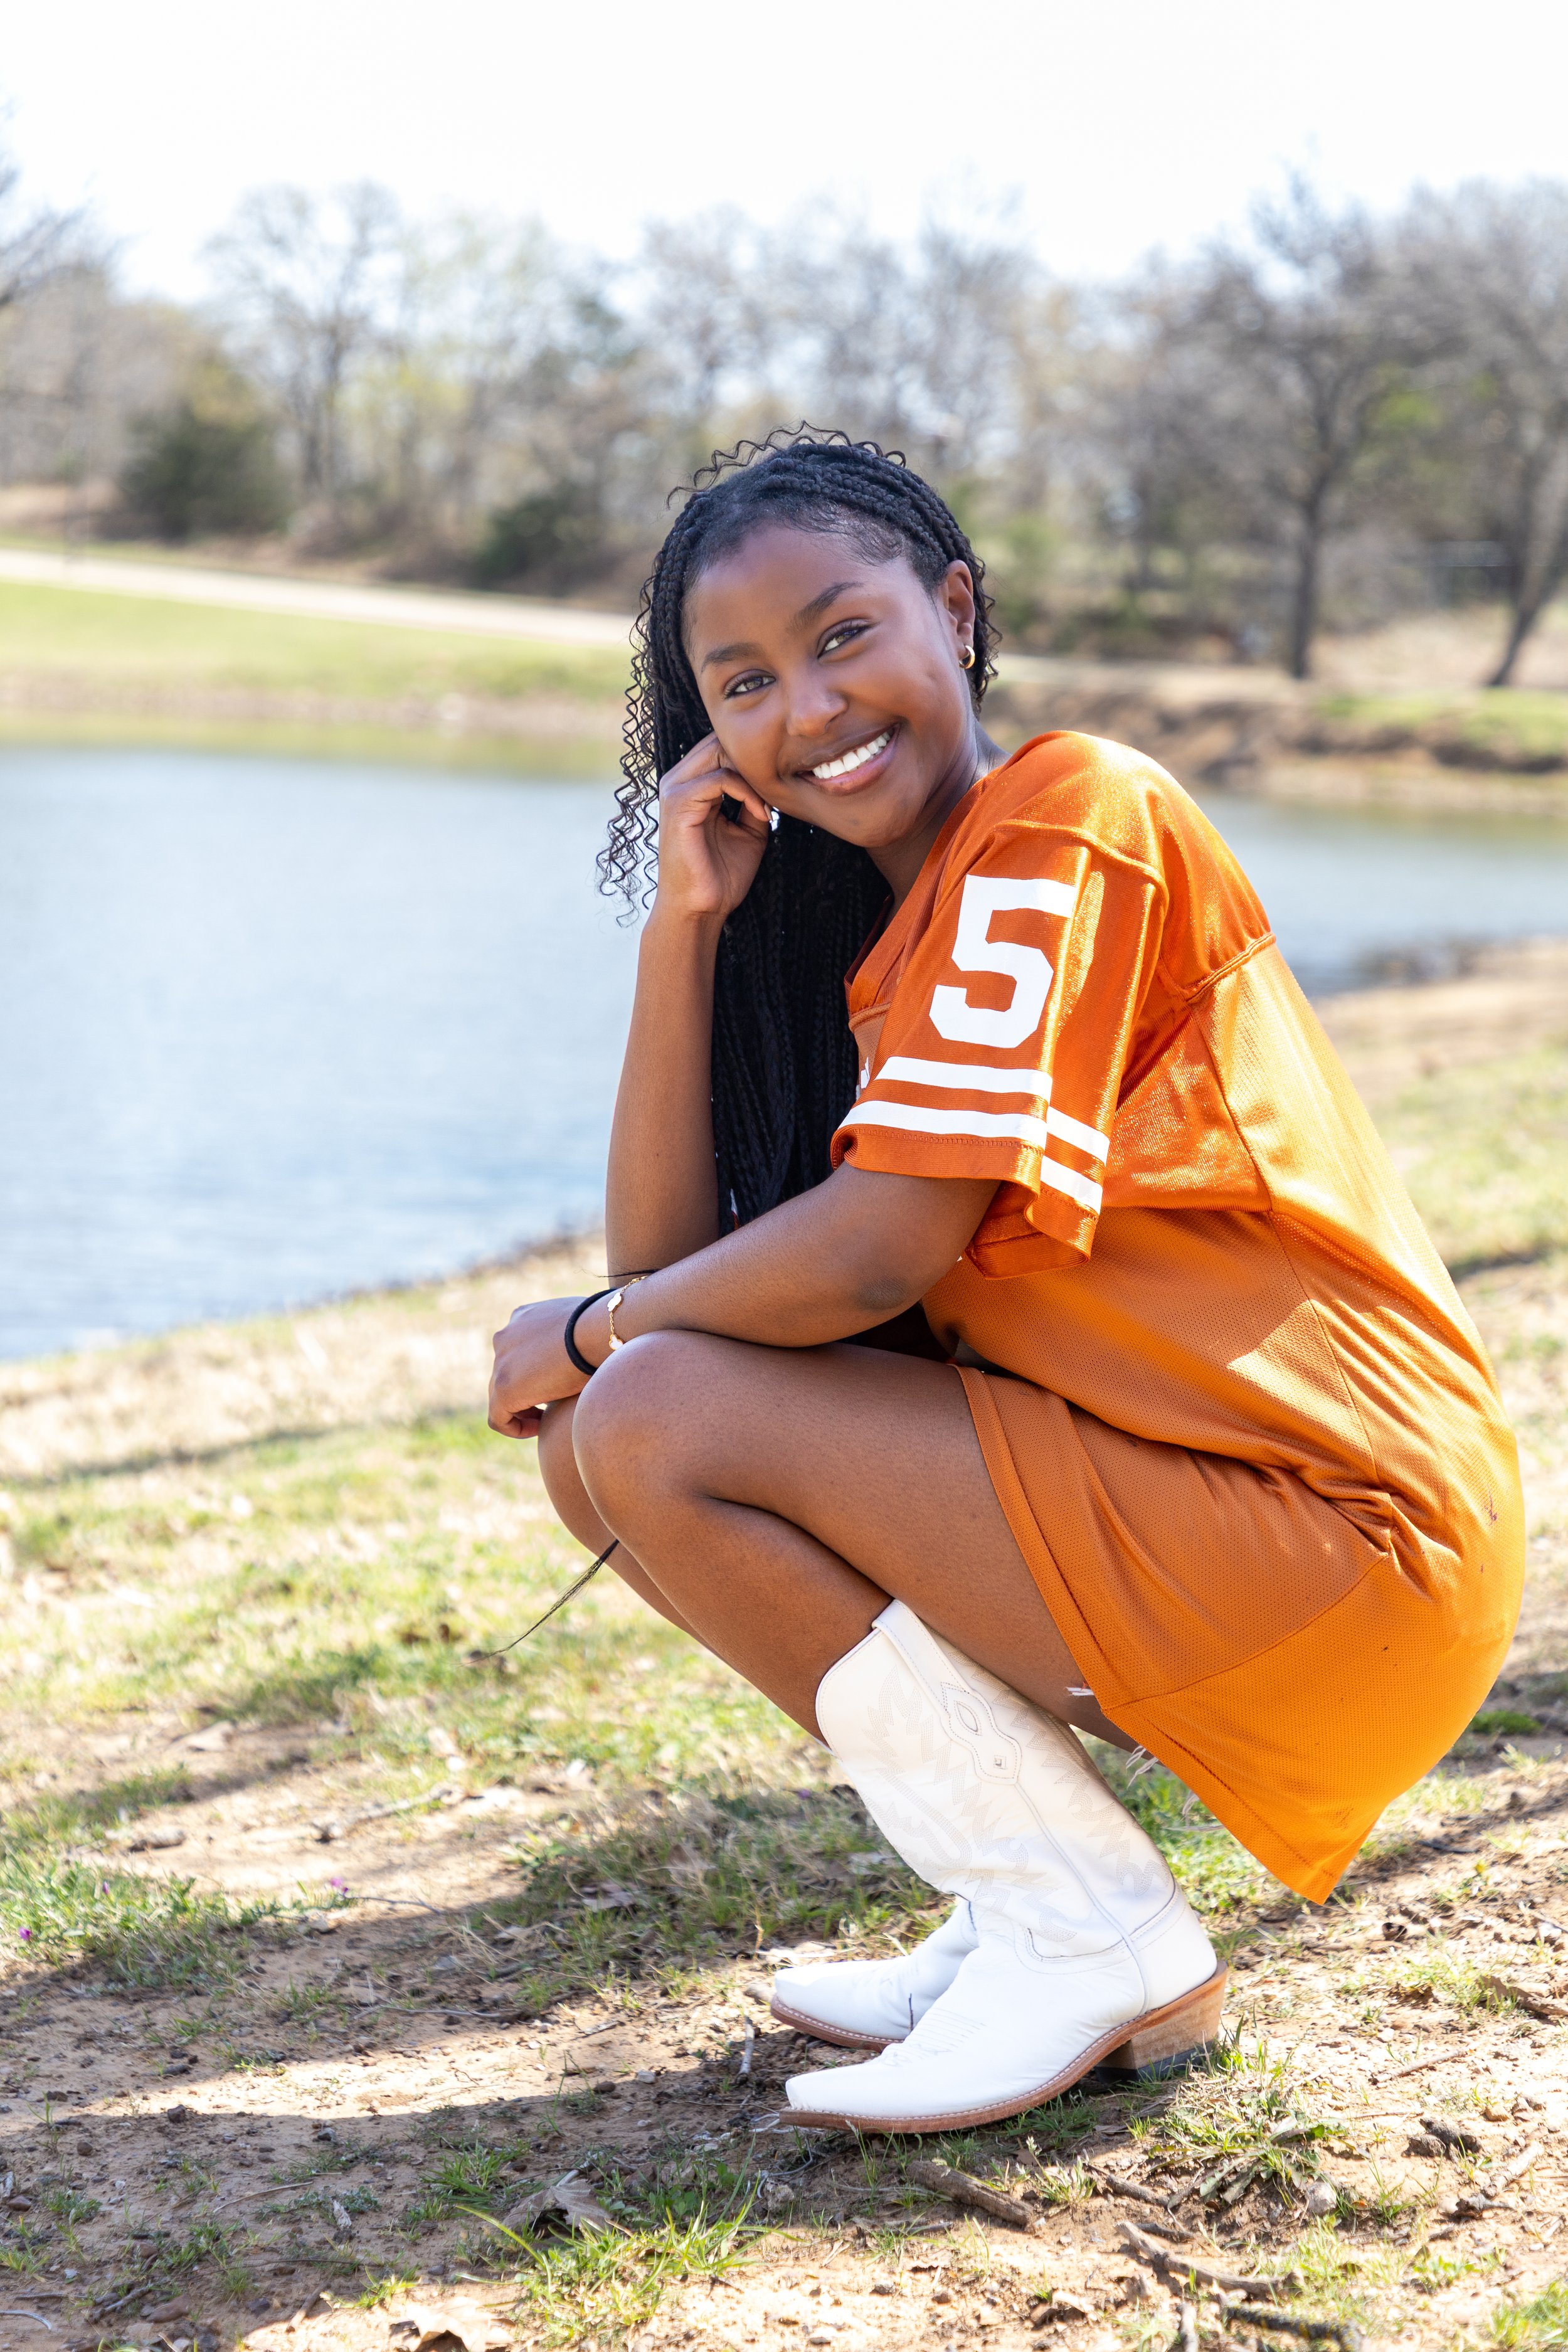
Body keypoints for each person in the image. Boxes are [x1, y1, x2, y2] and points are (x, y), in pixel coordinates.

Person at [487, 429, 1524, 2136]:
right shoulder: (890, 934)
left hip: (1340, 1535)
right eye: (740, 682)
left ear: (952, 610)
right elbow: (677, 1279)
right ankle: (1030, 1899)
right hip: (1208, 1513)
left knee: (646, 1399)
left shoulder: (1068, 816)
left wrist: (594, 1334)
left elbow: (861, 1255)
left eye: (841, 636)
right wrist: (684, 929)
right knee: (607, 1430)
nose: (804, 709)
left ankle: (1083, 1935)